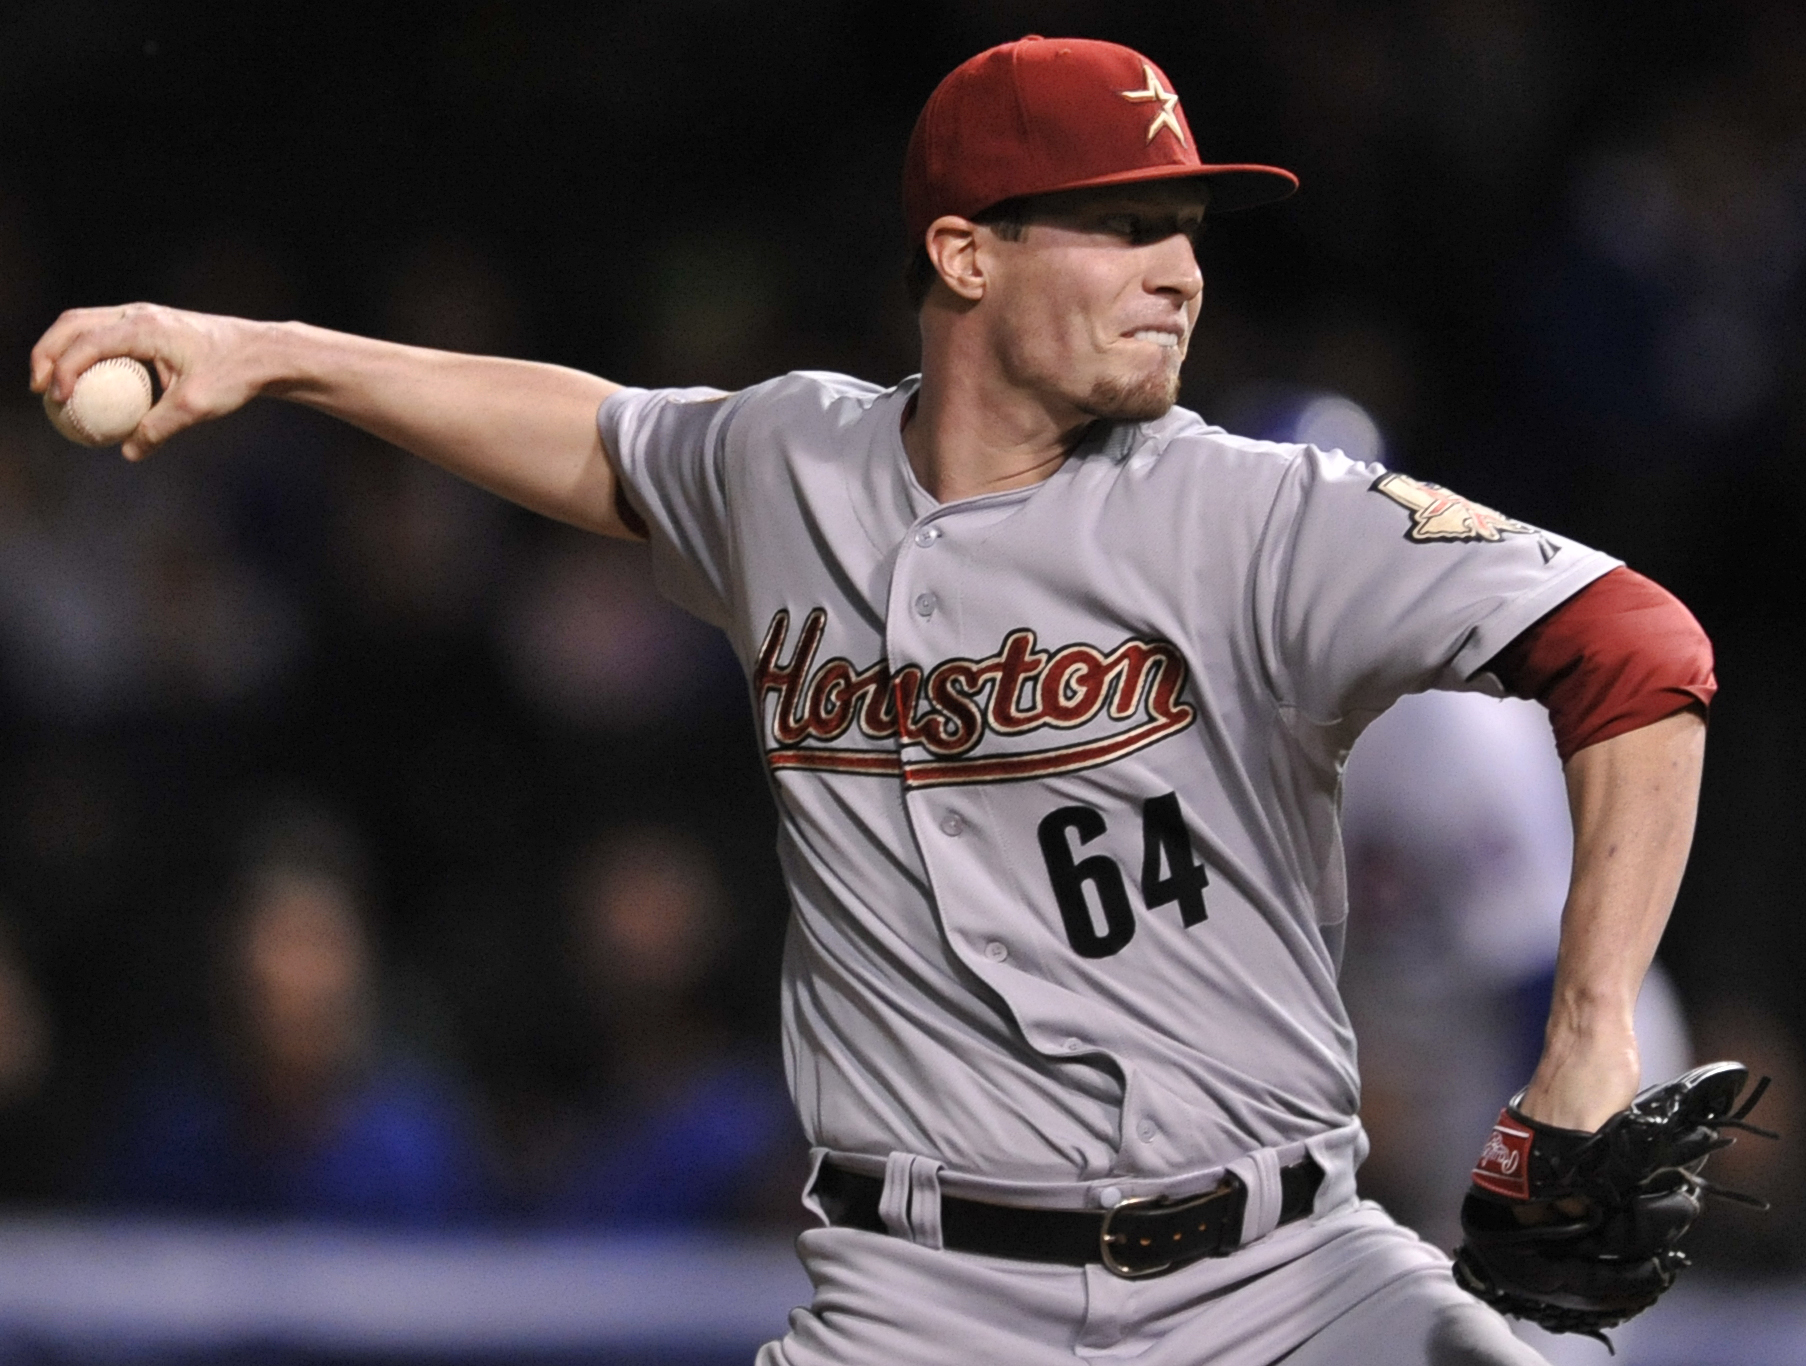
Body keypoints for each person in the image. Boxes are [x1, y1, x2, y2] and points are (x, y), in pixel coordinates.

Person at [32, 36, 1716, 1366]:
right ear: (962, 252)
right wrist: (271, 350)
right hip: (919, 1300)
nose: (1178, 271)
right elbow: (585, 431)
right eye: (1122, 224)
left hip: (1282, 1279)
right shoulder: (790, 462)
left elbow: (1638, 650)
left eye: (1187, 231)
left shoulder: (1261, 510)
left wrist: (1587, 1036)